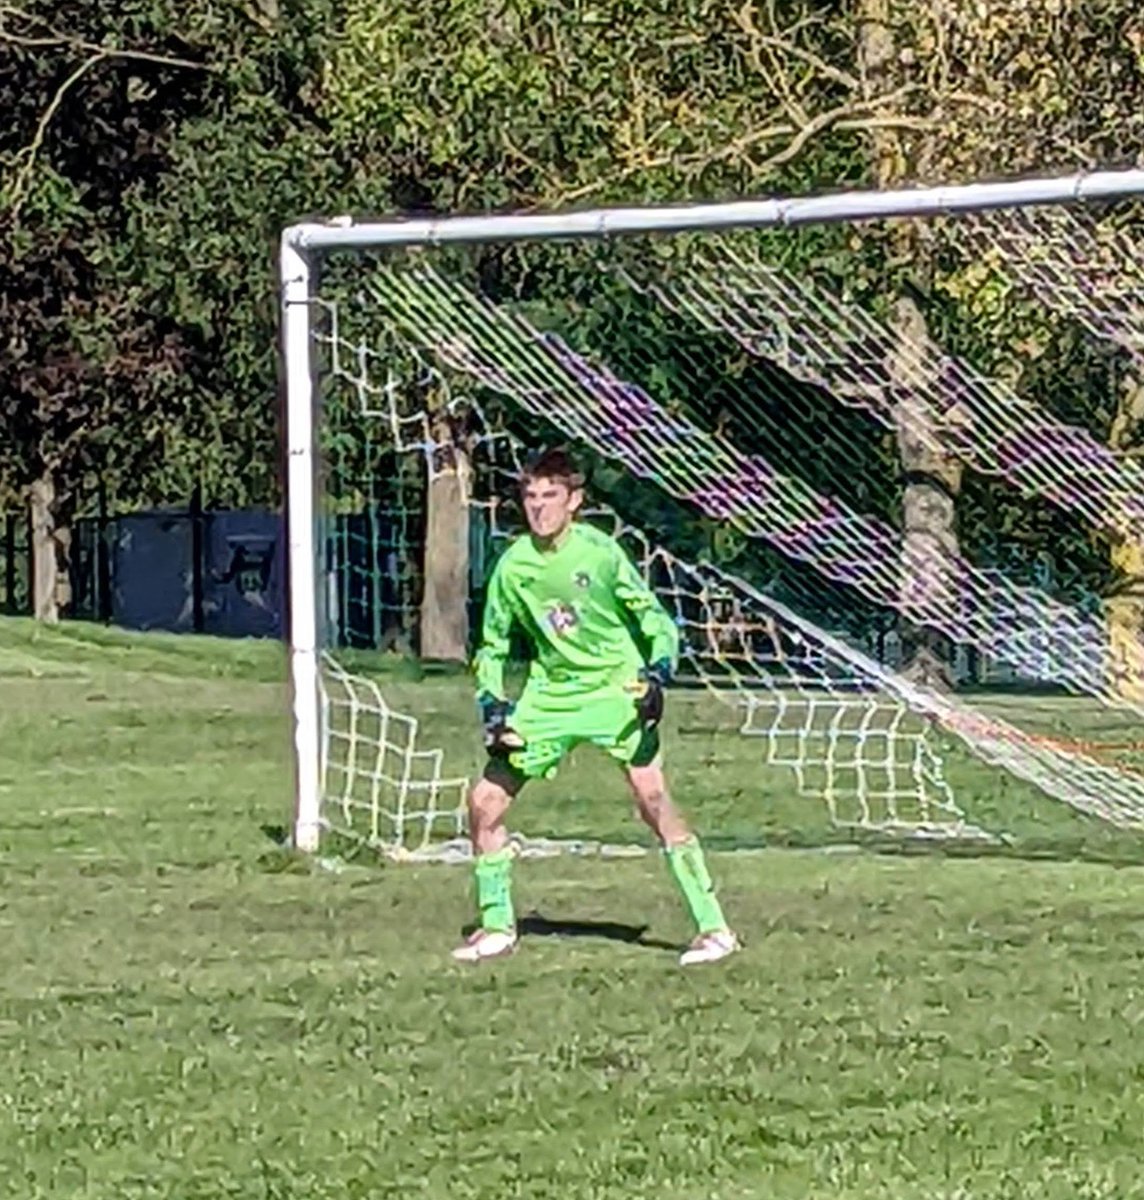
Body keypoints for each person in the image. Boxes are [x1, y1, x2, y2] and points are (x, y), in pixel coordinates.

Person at [452, 448, 739, 967]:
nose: (538, 507)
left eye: (550, 496)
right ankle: (496, 926)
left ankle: (714, 928)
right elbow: (492, 645)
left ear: (575, 501)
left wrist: (657, 675)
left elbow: (654, 620)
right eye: (530, 496)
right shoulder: (513, 567)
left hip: (614, 689)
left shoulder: (601, 554)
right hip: (551, 696)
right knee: (485, 802)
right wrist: (493, 706)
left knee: (653, 799)